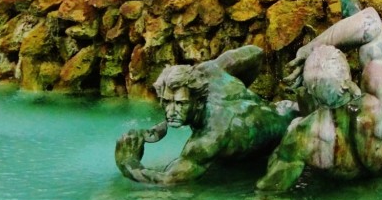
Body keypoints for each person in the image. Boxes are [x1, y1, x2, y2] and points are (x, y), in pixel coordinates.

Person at [256, 5, 382, 192]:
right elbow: (371, 22)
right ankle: (351, 7)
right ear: (347, 79)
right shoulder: (379, 96)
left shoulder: (301, 135)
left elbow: (269, 190)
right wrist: (309, 48)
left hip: (343, 182)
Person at [114, 45, 297, 185]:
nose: (171, 111)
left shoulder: (208, 138)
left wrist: (128, 162)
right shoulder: (210, 71)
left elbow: (168, 181)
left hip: (289, 136)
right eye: (167, 102)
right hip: (285, 109)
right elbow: (255, 53)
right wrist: (241, 100)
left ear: (199, 102)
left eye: (181, 104)